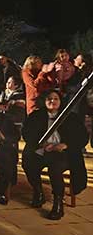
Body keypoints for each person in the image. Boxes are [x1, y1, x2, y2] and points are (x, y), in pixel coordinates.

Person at [22, 90, 89, 220]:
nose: (52, 101)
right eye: (49, 99)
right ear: (44, 101)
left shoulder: (71, 117)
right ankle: (38, 192)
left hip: (63, 153)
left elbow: (82, 137)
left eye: (55, 98)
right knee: (29, 163)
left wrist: (65, 145)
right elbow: (27, 133)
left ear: (60, 101)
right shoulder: (36, 115)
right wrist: (41, 144)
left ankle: (58, 204)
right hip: (42, 150)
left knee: (55, 168)